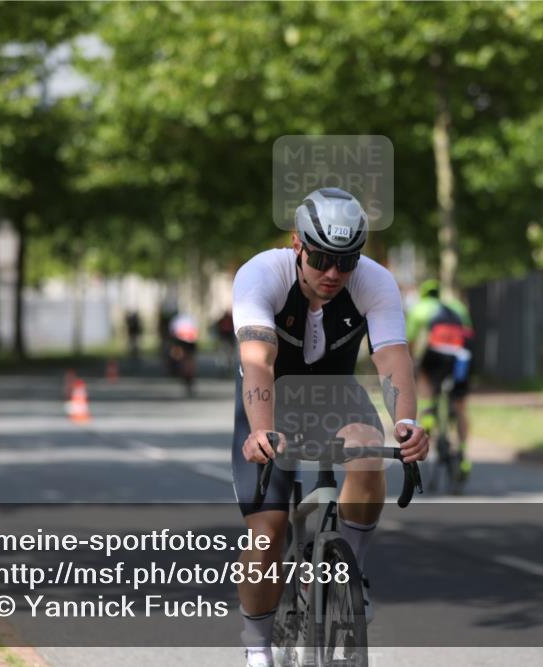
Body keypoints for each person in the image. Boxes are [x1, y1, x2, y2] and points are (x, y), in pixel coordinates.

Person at [231, 187, 429, 667]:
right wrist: (261, 432)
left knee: (369, 447)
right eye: (321, 259)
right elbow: (258, 362)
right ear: (297, 244)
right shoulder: (262, 274)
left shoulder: (375, 282)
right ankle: (257, 647)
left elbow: (391, 358)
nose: (334, 273)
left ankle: (350, 572)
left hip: (336, 394)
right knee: (268, 533)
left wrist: (407, 423)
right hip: (271, 397)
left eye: (346, 262)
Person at [405, 279, 474, 479]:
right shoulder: (458, 307)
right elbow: (469, 334)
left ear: (424, 294)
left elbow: (410, 341)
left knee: (425, 380)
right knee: (460, 406)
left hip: (436, 354)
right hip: (461, 355)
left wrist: (412, 365)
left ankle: (427, 415)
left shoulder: (419, 308)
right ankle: (463, 454)